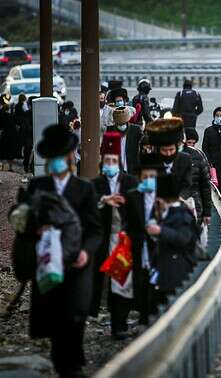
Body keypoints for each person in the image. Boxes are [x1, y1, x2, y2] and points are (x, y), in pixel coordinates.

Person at [25, 124, 102, 377]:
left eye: (61, 157)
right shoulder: (37, 186)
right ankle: (63, 362)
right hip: (48, 260)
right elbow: (24, 223)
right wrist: (34, 229)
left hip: (77, 260)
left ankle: (73, 363)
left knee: (75, 312)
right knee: (55, 314)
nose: (58, 162)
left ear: (70, 157)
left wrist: (86, 253)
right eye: (53, 158)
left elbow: (94, 229)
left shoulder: (84, 188)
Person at [91, 132, 138, 339]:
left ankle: (119, 325)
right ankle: (102, 314)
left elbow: (138, 207)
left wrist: (126, 201)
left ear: (119, 162)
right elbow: (87, 206)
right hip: (103, 240)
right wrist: (103, 200)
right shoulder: (95, 184)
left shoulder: (129, 181)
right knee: (103, 282)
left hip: (123, 240)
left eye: (113, 160)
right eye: (107, 160)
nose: (110, 164)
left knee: (122, 282)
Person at [147, 174, 199, 313]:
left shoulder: (182, 215)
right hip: (166, 268)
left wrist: (160, 231)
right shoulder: (170, 212)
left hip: (177, 268)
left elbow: (183, 238)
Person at [123, 153, 163, 327]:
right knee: (139, 281)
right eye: (145, 177)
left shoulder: (164, 197)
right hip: (138, 246)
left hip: (159, 247)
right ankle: (142, 316)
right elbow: (127, 221)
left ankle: (155, 316)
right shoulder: (132, 196)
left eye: (152, 177)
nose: (148, 180)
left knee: (157, 283)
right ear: (139, 179)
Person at [145, 117, 193, 199]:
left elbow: (187, 186)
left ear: (177, 148)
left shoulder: (185, 159)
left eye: (171, 150)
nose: (168, 153)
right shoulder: (148, 161)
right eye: (164, 150)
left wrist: (179, 198)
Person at [182, 127, 212, 225]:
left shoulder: (198, 155)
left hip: (196, 204)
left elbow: (206, 185)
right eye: (189, 142)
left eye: (193, 143)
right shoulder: (175, 156)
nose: (191, 145)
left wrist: (207, 212)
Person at [107, 106, 143, 174]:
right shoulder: (110, 130)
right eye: (119, 124)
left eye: (123, 124)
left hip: (131, 166)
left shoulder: (135, 130)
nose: (121, 126)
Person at [0, 94, 18, 172]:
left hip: (4, 136)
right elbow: (15, 126)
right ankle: (10, 167)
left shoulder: (1, 116)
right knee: (10, 153)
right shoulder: (11, 116)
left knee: (3, 152)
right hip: (11, 136)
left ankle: (2, 167)